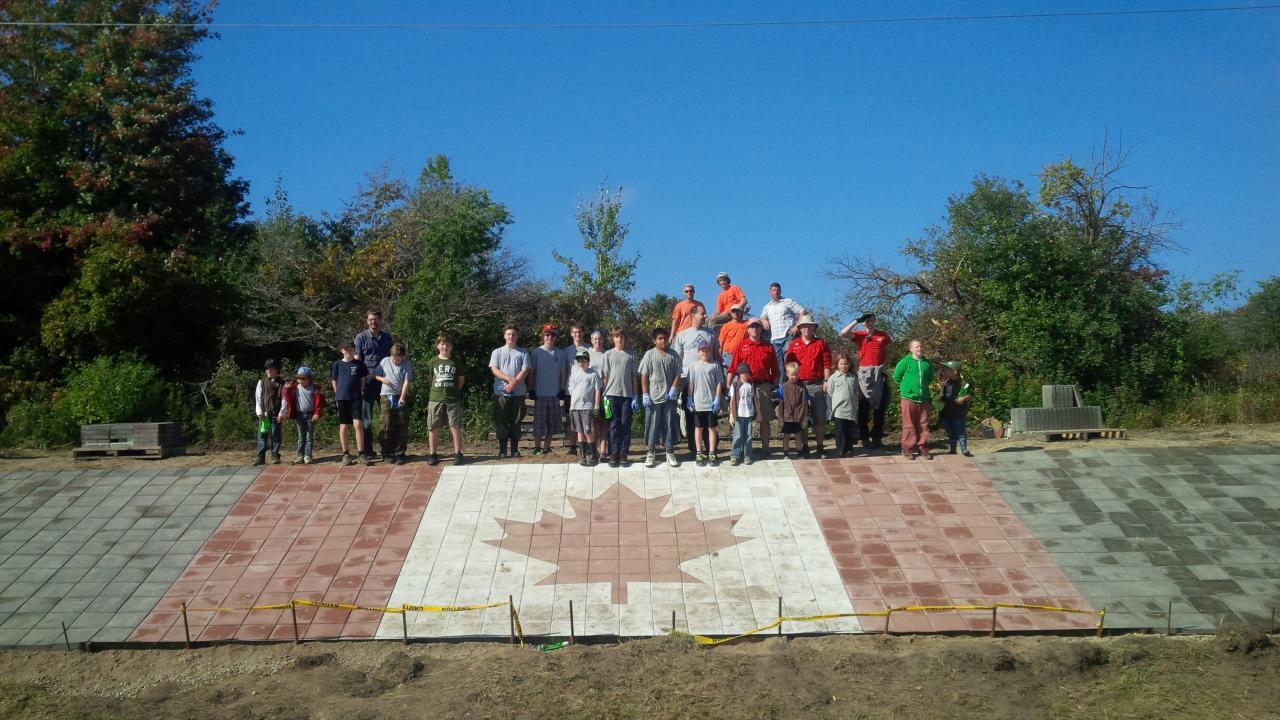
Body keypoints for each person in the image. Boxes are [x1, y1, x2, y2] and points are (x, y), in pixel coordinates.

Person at [671, 305, 720, 456]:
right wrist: (676, 380)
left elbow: (717, 355)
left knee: (710, 417)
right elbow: (677, 359)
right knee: (692, 416)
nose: (705, 316)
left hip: (709, 380)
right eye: (702, 314)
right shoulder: (682, 335)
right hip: (688, 379)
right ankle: (695, 449)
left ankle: (711, 448)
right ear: (693, 315)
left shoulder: (710, 334)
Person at [840, 313, 892, 450]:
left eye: (871, 319)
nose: (869, 322)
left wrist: (883, 366)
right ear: (864, 322)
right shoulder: (860, 334)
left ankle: (877, 438)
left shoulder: (883, 335)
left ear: (875, 320)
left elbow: (888, 352)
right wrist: (857, 320)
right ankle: (864, 437)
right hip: (864, 374)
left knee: (880, 408)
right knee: (863, 408)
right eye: (866, 320)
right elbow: (843, 333)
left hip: (879, 373)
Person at [728, 318, 779, 456]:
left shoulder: (768, 347)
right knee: (741, 419)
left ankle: (765, 449)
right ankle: (741, 451)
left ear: (761, 328)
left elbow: (775, 369)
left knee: (764, 419)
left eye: (757, 326)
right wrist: (729, 387)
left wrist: (774, 386)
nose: (755, 328)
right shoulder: (741, 345)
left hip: (762, 386)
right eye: (752, 326)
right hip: (744, 386)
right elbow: (732, 368)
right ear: (748, 329)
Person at [785, 313, 832, 457]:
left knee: (819, 416)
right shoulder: (793, 344)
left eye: (809, 326)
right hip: (799, 385)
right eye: (804, 326)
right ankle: (804, 447)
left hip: (816, 383)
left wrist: (826, 381)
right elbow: (788, 365)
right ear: (800, 329)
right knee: (801, 417)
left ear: (813, 328)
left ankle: (820, 446)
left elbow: (826, 364)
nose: (807, 329)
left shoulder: (821, 343)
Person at [638, 327, 681, 468]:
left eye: (665, 338)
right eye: (660, 338)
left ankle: (669, 451)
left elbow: (677, 374)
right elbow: (644, 375)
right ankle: (651, 452)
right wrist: (645, 393)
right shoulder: (649, 355)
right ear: (654, 340)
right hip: (653, 396)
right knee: (652, 424)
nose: (663, 341)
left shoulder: (673, 354)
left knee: (669, 423)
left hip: (669, 396)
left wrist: (674, 388)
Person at [354, 310, 393, 462]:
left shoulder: (387, 337)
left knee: (387, 418)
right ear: (367, 321)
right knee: (366, 419)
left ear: (380, 320)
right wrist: (359, 383)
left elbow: (392, 360)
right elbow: (357, 362)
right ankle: (368, 451)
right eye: (370, 319)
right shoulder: (361, 338)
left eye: (376, 319)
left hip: (384, 382)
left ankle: (386, 450)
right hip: (367, 383)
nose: (373, 322)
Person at [489, 325, 530, 459]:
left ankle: (514, 449)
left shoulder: (523, 352)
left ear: (517, 336)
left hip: (518, 393)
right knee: (501, 421)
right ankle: (502, 450)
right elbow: (494, 369)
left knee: (516, 421)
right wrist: (508, 380)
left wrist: (514, 383)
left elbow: (525, 370)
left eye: (513, 334)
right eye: (508, 334)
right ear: (504, 336)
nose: (511, 337)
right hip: (501, 392)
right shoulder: (497, 352)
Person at [601, 328, 640, 468]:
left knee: (625, 425)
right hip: (611, 395)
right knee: (613, 425)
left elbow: (634, 376)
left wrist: (635, 395)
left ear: (625, 338)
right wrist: (604, 395)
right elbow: (605, 376)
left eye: (622, 336)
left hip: (627, 396)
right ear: (613, 338)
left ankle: (623, 453)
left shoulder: (631, 355)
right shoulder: (608, 354)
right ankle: (613, 452)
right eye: (617, 336)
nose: (619, 339)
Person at [425, 333, 465, 466]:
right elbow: (430, 379)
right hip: (435, 398)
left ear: (451, 347)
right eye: (442, 344)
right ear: (438, 346)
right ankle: (433, 453)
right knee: (433, 426)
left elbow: (461, 380)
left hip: (453, 399)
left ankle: (458, 453)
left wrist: (454, 391)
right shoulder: (432, 361)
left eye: (447, 344)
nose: (445, 346)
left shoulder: (455, 362)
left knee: (455, 425)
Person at [529, 324, 568, 456]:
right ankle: (536, 447)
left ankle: (547, 446)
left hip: (554, 394)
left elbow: (563, 373)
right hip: (539, 394)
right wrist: (531, 389)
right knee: (539, 423)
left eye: (552, 335)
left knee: (552, 423)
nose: (550, 337)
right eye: (547, 334)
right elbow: (531, 372)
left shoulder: (561, 353)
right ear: (543, 336)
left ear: (556, 337)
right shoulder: (536, 352)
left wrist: (562, 388)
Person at [684, 340, 725, 466]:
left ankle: (712, 452)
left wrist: (717, 398)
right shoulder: (693, 366)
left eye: (707, 350)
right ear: (698, 352)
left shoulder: (715, 365)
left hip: (711, 403)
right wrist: (690, 398)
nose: (705, 353)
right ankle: (699, 453)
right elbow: (690, 383)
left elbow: (719, 382)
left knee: (712, 428)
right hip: (697, 403)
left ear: (710, 351)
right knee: (698, 428)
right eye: (702, 350)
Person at [893, 339, 934, 460]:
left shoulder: (927, 363)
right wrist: (907, 389)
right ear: (911, 349)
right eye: (916, 347)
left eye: (921, 346)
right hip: (908, 398)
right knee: (908, 424)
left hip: (924, 398)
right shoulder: (905, 362)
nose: (919, 349)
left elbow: (930, 378)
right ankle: (907, 448)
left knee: (923, 424)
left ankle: (923, 447)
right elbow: (896, 377)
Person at [330, 342, 370, 466]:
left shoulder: (359, 364)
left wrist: (362, 390)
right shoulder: (337, 364)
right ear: (342, 350)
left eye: (351, 349)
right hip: (342, 398)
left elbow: (362, 380)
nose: (349, 351)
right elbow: (334, 380)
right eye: (346, 349)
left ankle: (361, 454)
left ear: (354, 350)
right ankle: (346, 454)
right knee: (344, 425)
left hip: (356, 397)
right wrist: (338, 394)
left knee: (358, 424)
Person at [374, 342, 413, 465]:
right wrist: (382, 379)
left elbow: (406, 381)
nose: (395, 361)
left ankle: (400, 452)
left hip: (399, 395)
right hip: (386, 395)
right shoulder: (385, 361)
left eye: (398, 358)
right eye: (393, 358)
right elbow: (375, 374)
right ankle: (386, 451)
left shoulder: (406, 364)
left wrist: (402, 397)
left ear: (403, 356)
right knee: (386, 423)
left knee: (401, 423)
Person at [759, 282, 807, 378]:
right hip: (774, 339)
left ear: (780, 291)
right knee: (777, 364)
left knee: (788, 360)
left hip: (787, 337)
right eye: (773, 290)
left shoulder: (787, 301)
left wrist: (797, 326)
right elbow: (762, 317)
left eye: (777, 290)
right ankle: (781, 387)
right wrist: (764, 321)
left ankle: (791, 383)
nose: (776, 292)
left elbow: (803, 311)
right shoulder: (767, 306)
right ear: (770, 292)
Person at [280, 366, 324, 464]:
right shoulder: (294, 387)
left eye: (303, 378)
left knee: (309, 436)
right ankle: (300, 456)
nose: (300, 380)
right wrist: (287, 390)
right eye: (298, 378)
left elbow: (319, 403)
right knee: (301, 437)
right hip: (299, 414)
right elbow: (288, 399)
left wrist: (317, 413)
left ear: (309, 378)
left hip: (310, 415)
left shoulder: (315, 388)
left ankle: (307, 455)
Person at [567, 347, 602, 467]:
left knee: (588, 430)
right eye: (579, 361)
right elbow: (572, 392)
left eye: (584, 360)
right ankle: (582, 455)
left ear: (588, 361)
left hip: (587, 406)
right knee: (579, 431)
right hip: (576, 406)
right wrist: (571, 407)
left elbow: (597, 390)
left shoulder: (593, 374)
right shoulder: (574, 374)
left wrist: (596, 406)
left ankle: (593, 454)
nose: (581, 363)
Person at [560, 323, 590, 455]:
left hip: (586, 391)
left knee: (588, 420)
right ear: (571, 334)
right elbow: (564, 371)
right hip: (571, 391)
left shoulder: (590, 349)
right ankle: (573, 446)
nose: (578, 334)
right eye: (575, 332)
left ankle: (588, 445)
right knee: (572, 419)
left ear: (583, 333)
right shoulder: (566, 351)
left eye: (580, 332)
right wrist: (562, 388)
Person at [827, 354, 861, 457]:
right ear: (837, 365)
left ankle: (849, 448)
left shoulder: (854, 377)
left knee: (850, 429)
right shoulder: (833, 378)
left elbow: (856, 391)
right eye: (841, 364)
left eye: (846, 364)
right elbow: (830, 391)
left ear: (850, 364)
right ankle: (841, 449)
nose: (844, 366)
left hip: (851, 408)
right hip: (839, 409)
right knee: (840, 429)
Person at [253, 359, 285, 466]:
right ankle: (260, 457)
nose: (269, 371)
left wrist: (282, 413)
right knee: (262, 435)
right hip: (264, 414)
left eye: (271, 368)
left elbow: (284, 399)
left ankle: (275, 455)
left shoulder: (281, 383)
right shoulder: (261, 382)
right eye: (267, 369)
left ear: (276, 370)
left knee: (275, 435)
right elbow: (258, 397)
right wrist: (259, 412)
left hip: (276, 414)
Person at [938, 361, 973, 457]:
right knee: (950, 432)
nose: (944, 371)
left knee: (960, 431)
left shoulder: (964, 384)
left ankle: (964, 449)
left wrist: (963, 398)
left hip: (958, 412)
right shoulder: (945, 383)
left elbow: (970, 396)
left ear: (954, 371)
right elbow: (942, 396)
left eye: (946, 370)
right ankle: (952, 449)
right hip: (946, 412)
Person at [587, 330, 610, 462]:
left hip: (605, 392)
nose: (597, 341)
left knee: (604, 422)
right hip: (590, 393)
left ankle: (603, 451)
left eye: (600, 338)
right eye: (595, 339)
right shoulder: (587, 353)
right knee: (593, 423)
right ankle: (593, 451)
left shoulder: (607, 354)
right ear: (591, 340)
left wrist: (606, 391)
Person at [778, 362, 809, 457]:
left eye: (796, 375)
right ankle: (786, 453)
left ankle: (799, 452)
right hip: (787, 416)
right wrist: (781, 417)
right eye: (792, 375)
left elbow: (805, 402)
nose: (794, 377)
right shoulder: (783, 387)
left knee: (798, 435)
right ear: (787, 374)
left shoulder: (802, 387)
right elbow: (781, 403)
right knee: (786, 436)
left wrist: (804, 416)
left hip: (798, 416)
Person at [728, 363, 755, 466]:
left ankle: (747, 455)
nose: (745, 374)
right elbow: (732, 400)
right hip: (738, 414)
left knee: (748, 435)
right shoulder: (734, 385)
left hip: (749, 413)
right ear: (739, 374)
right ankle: (735, 455)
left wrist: (755, 414)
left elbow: (753, 400)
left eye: (747, 372)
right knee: (737, 434)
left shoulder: (751, 385)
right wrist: (731, 414)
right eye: (743, 372)